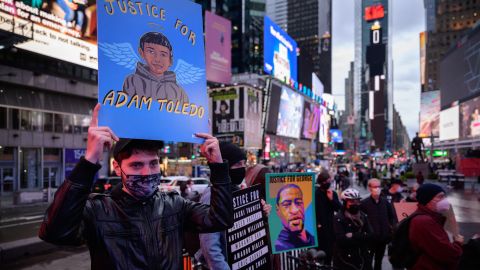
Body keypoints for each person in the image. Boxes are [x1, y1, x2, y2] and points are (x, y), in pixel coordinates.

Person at [38, 104, 233, 269]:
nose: (147, 172)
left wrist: (217, 165)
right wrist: (89, 161)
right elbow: (55, 232)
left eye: (153, 163)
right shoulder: (97, 209)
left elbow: (220, 219)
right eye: (136, 165)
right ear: (116, 167)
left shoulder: (175, 204)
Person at [195, 142, 247, 269]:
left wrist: (261, 213)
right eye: (238, 164)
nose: (243, 168)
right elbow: (210, 246)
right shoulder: (212, 195)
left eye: (244, 164)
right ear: (226, 166)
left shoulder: (236, 189)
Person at [123, 32, 189, 105]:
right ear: (142, 53)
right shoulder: (132, 81)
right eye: (151, 51)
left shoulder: (178, 91)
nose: (157, 59)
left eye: (163, 54)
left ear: (170, 61)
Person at [409, 183, 464, 270]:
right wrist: (458, 243)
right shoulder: (424, 221)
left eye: (444, 196)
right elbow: (447, 254)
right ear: (428, 200)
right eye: (440, 197)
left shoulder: (431, 217)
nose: (444, 200)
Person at [361, 179, 397, 270]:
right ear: (370, 188)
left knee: (378, 261)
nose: (377, 189)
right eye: (374, 187)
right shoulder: (364, 203)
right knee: (367, 261)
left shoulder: (385, 202)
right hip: (370, 239)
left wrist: (390, 232)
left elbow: (391, 216)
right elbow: (361, 220)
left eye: (378, 186)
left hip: (383, 238)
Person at [333, 188, 373, 270]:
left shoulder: (363, 216)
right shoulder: (339, 218)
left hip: (363, 257)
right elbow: (341, 240)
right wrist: (362, 237)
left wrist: (354, 235)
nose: (355, 204)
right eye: (351, 201)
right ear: (345, 202)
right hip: (345, 259)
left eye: (357, 201)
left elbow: (371, 235)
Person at [275, 183, 316, 252]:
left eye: (299, 202)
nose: (295, 210)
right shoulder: (278, 246)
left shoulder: (312, 239)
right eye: (286, 204)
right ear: (278, 211)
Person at [315, 170, 342, 265]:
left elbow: (339, 208)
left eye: (329, 181)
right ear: (321, 182)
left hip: (330, 227)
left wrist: (331, 199)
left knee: (330, 252)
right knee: (320, 254)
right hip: (319, 228)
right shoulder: (315, 194)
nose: (328, 183)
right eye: (325, 182)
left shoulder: (332, 193)